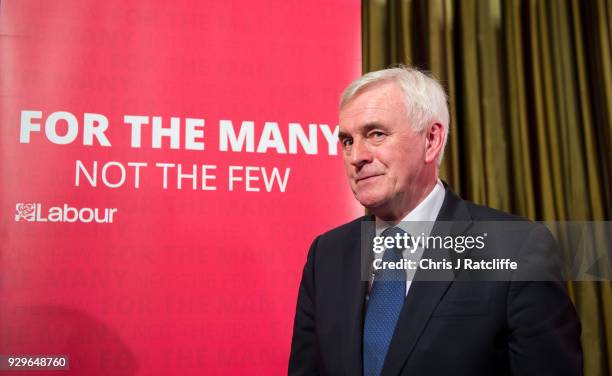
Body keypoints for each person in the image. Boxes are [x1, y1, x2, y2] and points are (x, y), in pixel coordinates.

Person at [288, 67, 582, 376]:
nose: (356, 155)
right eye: (347, 140)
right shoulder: (327, 254)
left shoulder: (516, 248)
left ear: (431, 140)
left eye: (376, 134)